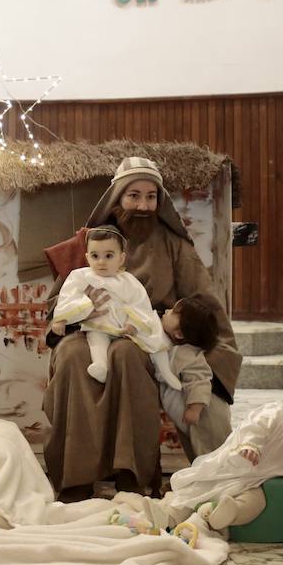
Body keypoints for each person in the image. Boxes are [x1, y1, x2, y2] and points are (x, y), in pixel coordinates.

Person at [42, 156, 241, 499]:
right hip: (87, 329)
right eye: (134, 195)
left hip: (147, 334)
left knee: (126, 355)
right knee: (74, 356)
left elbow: (204, 302)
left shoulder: (174, 245)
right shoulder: (93, 242)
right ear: (117, 198)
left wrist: (213, 348)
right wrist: (72, 315)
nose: (143, 205)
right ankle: (75, 476)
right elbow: (57, 300)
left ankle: (131, 473)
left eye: (151, 197)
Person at [163, 387, 283, 533]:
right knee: (195, 492)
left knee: (255, 504)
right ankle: (168, 516)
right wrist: (250, 445)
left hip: (253, 484)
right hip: (233, 467)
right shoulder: (279, 417)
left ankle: (220, 513)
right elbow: (256, 426)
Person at [50, 226, 181, 390]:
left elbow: (139, 303)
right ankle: (100, 365)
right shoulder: (81, 276)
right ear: (87, 257)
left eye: (109, 256)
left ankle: (165, 371)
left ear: (121, 258)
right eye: (95, 256)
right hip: (99, 322)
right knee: (96, 338)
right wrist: (62, 318)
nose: (101, 262)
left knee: (153, 336)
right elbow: (68, 295)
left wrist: (133, 323)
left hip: (125, 327)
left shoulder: (128, 281)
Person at [154, 298, 227, 460]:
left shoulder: (189, 355)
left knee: (211, 450)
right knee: (195, 448)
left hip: (205, 415)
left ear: (179, 333)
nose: (166, 311)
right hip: (188, 416)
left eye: (172, 312)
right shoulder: (175, 348)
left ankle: (214, 478)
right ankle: (197, 476)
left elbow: (199, 380)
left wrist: (195, 408)